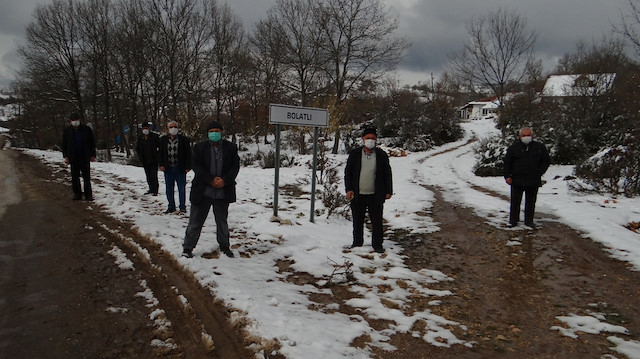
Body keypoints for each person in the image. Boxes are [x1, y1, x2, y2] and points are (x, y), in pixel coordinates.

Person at [182, 121, 240, 258]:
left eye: (217, 131)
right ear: (208, 133)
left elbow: (235, 166)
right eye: (212, 131)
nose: (214, 133)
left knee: (222, 221)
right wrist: (210, 179)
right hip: (203, 191)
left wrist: (225, 180)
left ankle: (225, 246)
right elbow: (196, 166)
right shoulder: (199, 147)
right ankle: (187, 248)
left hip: (222, 191)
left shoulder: (231, 148)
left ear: (221, 132)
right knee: (195, 222)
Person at [344, 127, 393, 253]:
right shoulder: (355, 154)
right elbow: (348, 173)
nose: (370, 140)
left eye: (372, 138)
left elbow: (387, 173)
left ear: (376, 140)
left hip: (375, 195)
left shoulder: (381, 155)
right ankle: (357, 243)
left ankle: (377, 245)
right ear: (363, 139)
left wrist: (388, 191)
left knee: (377, 222)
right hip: (357, 194)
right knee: (357, 221)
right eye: (368, 138)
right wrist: (348, 189)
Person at [503, 127, 550, 228]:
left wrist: (539, 172)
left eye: (528, 135)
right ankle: (513, 221)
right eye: (524, 135)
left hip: (533, 180)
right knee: (515, 202)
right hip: (517, 180)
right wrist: (507, 176)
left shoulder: (539, 148)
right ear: (520, 137)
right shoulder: (513, 148)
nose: (526, 137)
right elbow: (507, 163)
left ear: (532, 136)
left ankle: (529, 221)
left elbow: (546, 161)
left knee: (531, 202)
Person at [61, 112, 96, 201]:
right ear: (70, 121)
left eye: (76, 120)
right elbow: (64, 144)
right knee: (75, 177)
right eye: (73, 120)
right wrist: (66, 156)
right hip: (73, 157)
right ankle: (77, 194)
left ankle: (88, 195)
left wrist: (92, 155)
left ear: (79, 120)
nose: (75, 122)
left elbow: (92, 143)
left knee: (86, 177)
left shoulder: (86, 129)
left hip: (84, 157)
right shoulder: (67, 131)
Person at [159, 121, 191, 213]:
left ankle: (182, 206)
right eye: (171, 127)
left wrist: (187, 166)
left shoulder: (184, 139)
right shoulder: (163, 140)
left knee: (181, 188)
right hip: (168, 168)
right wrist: (161, 164)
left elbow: (188, 154)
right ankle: (171, 206)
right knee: (169, 188)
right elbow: (160, 153)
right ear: (167, 129)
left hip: (180, 168)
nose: (173, 129)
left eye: (175, 127)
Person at [135, 122, 160, 196]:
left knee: (154, 175)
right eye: (143, 128)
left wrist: (157, 156)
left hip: (153, 160)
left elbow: (159, 147)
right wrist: (140, 157)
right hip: (145, 160)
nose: (145, 130)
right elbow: (138, 148)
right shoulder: (140, 137)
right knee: (148, 176)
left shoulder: (154, 136)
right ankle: (151, 188)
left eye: (146, 128)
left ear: (149, 128)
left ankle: (155, 190)